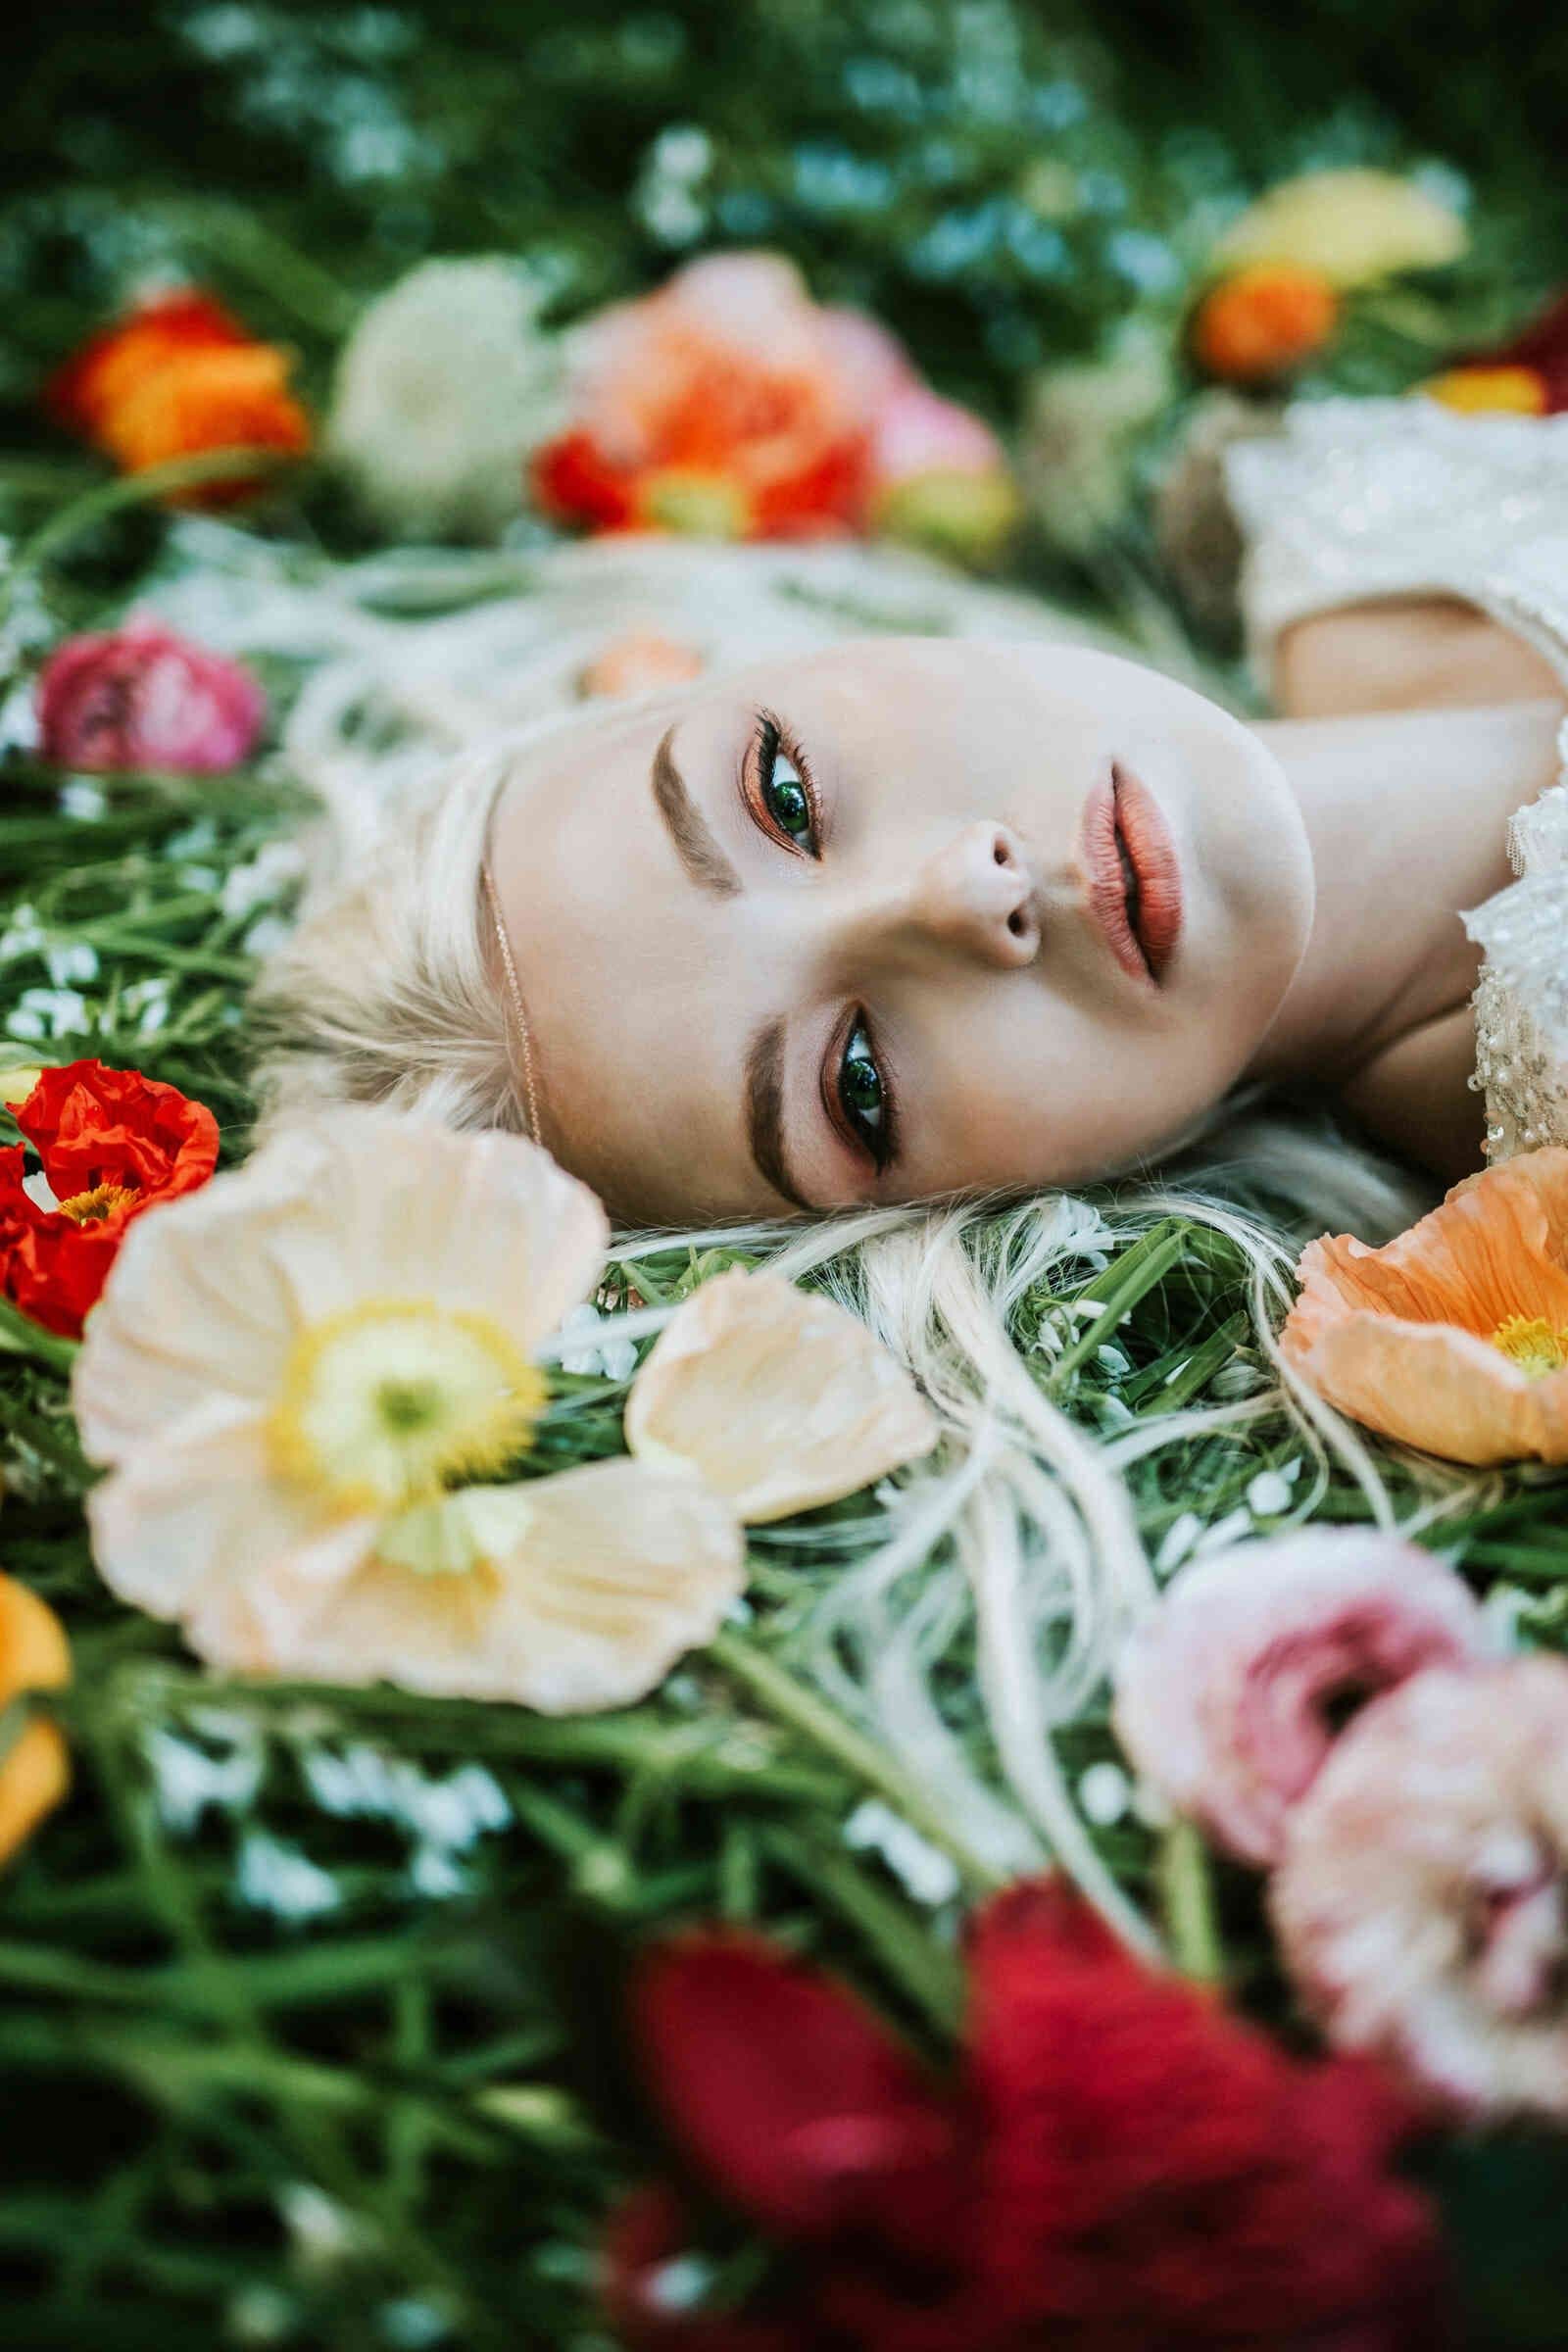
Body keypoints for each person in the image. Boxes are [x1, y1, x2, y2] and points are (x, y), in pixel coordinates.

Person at [147, 393, 1568, 1926]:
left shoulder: (1350, 516)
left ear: (772, 654)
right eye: (863, 1081)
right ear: (975, 1209)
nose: (964, 892)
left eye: (784, 795)